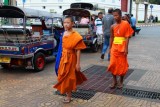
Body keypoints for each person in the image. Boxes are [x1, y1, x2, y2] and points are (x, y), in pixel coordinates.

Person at [53, 16, 87, 103]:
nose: (66, 24)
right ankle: (66, 92)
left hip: (71, 58)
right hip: (63, 57)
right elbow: (61, 46)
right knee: (62, 74)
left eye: (68, 22)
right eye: (64, 22)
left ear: (72, 24)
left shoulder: (76, 35)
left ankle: (69, 96)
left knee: (69, 77)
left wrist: (78, 64)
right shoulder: (64, 33)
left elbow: (78, 50)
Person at [107, 9, 133, 89]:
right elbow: (111, 37)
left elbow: (127, 37)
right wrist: (110, 48)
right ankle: (114, 80)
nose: (115, 17)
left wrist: (126, 48)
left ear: (120, 15)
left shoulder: (125, 24)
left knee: (122, 65)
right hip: (114, 48)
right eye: (113, 15)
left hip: (122, 47)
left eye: (116, 15)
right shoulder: (112, 26)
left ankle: (121, 81)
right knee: (112, 65)